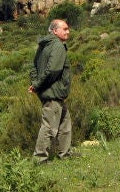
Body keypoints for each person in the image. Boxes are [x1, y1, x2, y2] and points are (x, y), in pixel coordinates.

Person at [28, 19, 77, 163]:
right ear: (55, 31)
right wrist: (37, 85)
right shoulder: (57, 46)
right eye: (65, 29)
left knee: (64, 125)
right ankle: (40, 160)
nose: (68, 31)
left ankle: (65, 155)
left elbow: (33, 67)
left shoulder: (43, 46)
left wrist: (35, 83)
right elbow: (53, 70)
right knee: (49, 127)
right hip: (53, 93)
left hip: (54, 93)